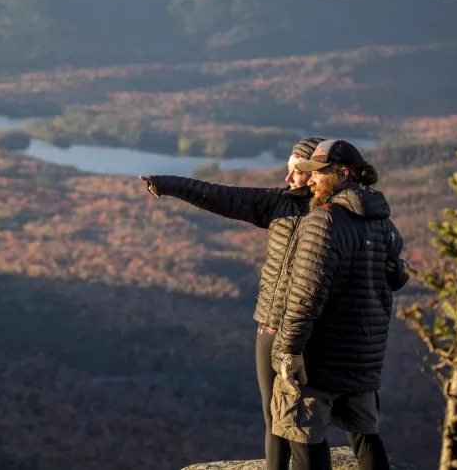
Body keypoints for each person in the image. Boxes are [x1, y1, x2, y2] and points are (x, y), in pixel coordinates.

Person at [139, 138, 408, 470]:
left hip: (307, 335)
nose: (295, 178)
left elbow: (311, 291)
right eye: (294, 171)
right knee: (311, 423)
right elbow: (223, 196)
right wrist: (168, 184)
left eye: (302, 170)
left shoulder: (332, 217)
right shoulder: (287, 204)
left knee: (301, 425)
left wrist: (290, 348)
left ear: (338, 173)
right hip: (333, 338)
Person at [270, 139, 405, 470]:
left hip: (320, 357)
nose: (311, 180)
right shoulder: (382, 222)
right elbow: (393, 272)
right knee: (365, 437)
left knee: (304, 437)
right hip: (363, 357)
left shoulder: (324, 220)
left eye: (318, 174)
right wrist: (398, 271)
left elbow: (305, 294)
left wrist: (289, 351)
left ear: (343, 174)